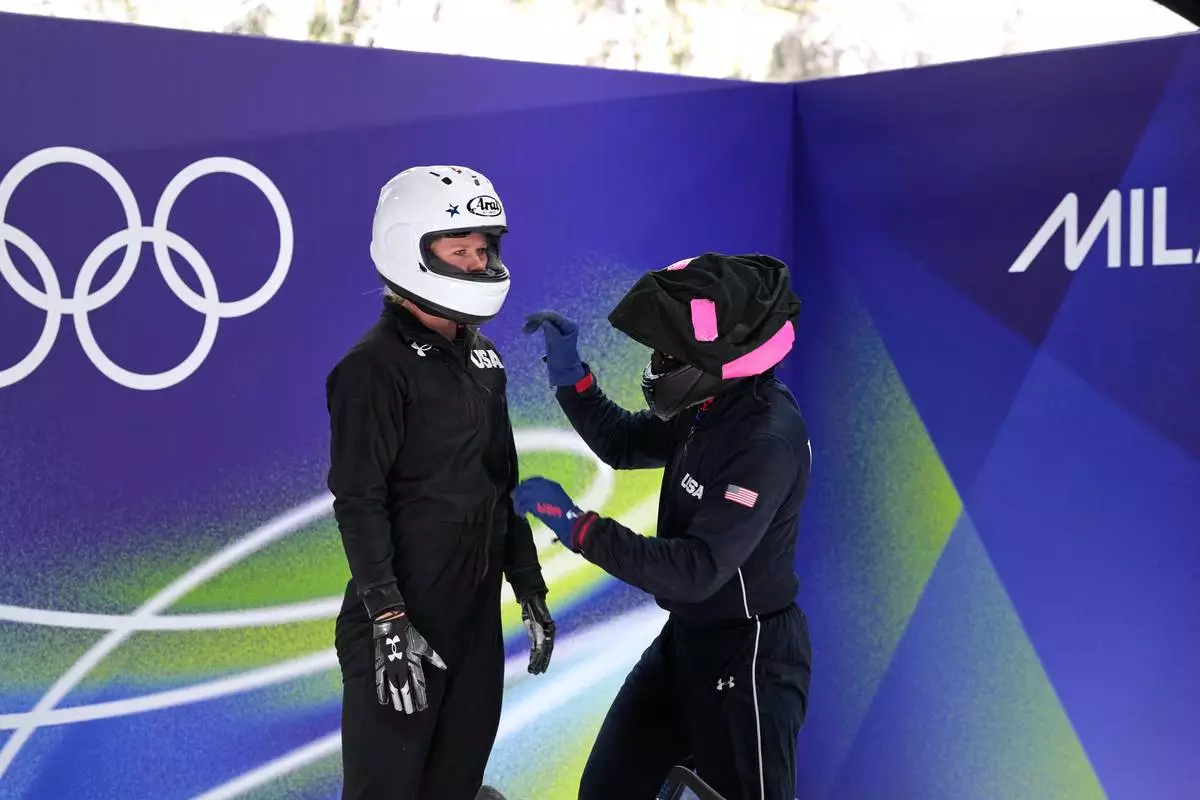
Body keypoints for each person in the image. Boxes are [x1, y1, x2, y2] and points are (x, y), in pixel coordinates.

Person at [514, 252, 813, 800]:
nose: (657, 363)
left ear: (717, 357)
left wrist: (578, 527)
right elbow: (624, 442)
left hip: (750, 656)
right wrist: (570, 377)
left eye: (667, 353)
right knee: (607, 790)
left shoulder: (763, 441)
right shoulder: (709, 407)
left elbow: (696, 570)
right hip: (686, 643)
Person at [325, 165, 555, 800]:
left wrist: (529, 586)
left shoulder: (486, 360)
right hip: (401, 628)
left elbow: (500, 487)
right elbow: (358, 499)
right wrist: (389, 620)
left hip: (474, 626)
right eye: (459, 250)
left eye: (483, 248)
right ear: (409, 248)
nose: (478, 262)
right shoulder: (371, 369)